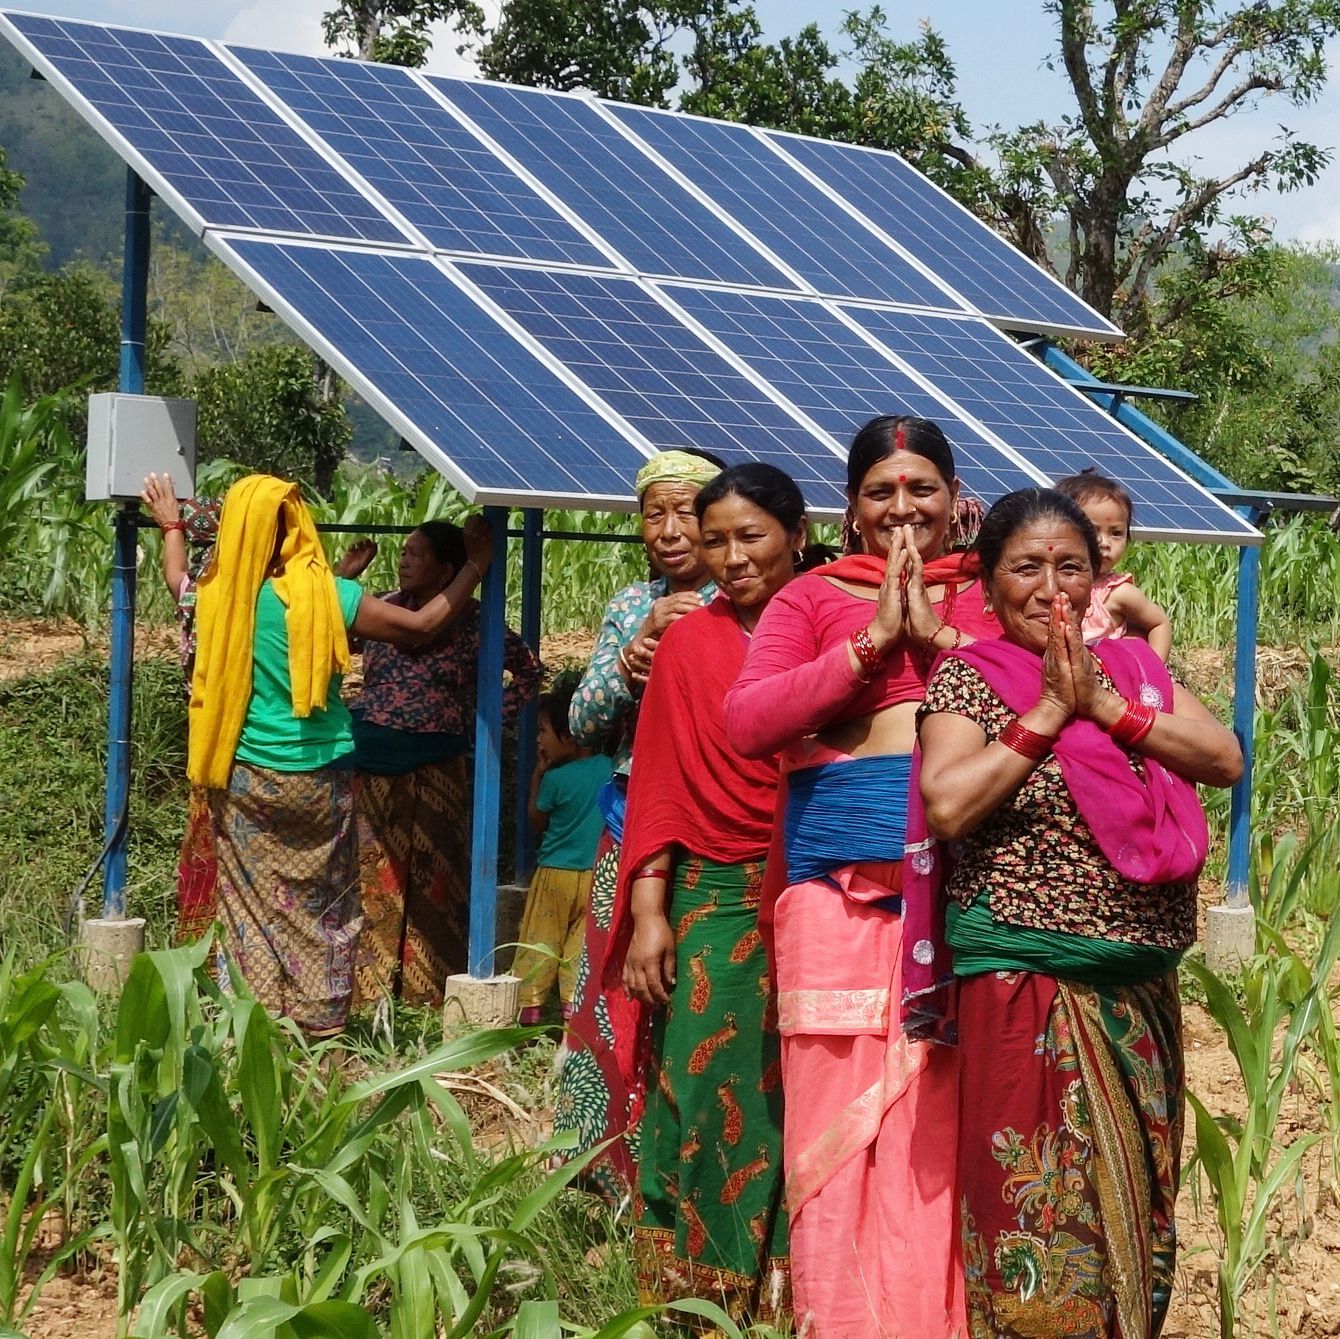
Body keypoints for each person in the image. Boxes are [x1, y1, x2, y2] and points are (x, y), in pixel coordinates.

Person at [913, 487, 1241, 1338]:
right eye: (1026, 567)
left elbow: (1222, 756)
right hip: (1031, 987)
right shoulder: (972, 678)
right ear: (988, 587)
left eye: (1071, 565)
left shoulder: (1133, 669)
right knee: (1043, 1218)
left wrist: (1107, 705)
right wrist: (1053, 709)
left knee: (1138, 1211)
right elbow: (948, 805)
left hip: (1137, 993)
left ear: (1098, 579)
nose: (1050, 585)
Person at [724, 415, 998, 1337]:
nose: (902, 507)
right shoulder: (810, 599)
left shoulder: (996, 592)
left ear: (957, 502)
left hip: (963, 906)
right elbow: (750, 721)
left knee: (938, 1138)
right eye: (881, 491)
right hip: (836, 902)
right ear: (851, 508)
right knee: (833, 1140)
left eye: (921, 487)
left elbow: (1047, 706)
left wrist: (941, 640)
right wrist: (870, 643)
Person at [187, 474, 493, 1037]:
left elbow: (177, 578)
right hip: (318, 776)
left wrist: (166, 526)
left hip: (245, 772)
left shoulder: (214, 592)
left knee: (251, 902)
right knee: (323, 900)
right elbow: (421, 625)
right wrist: (475, 565)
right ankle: (322, 1026)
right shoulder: (325, 594)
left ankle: (256, 1024)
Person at [615, 462, 805, 1326]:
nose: (729, 557)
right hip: (715, 895)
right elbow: (658, 782)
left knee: (808, 1097)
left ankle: (793, 1291)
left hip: (821, 889)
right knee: (708, 1089)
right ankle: (700, 1295)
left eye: (750, 536)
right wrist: (651, 911)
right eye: (716, 538)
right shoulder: (689, 643)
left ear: (796, 536)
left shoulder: (837, 628)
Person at [553, 447, 724, 1202]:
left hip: (719, 826)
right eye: (654, 513)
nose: (670, 528)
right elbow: (583, 722)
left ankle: (691, 1165)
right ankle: (600, 1169)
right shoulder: (631, 604)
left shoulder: (753, 595)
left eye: (686, 509)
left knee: (704, 992)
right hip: (630, 823)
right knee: (614, 985)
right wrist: (631, 659)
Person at [345, 521, 541, 1006]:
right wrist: (343, 577)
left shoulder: (475, 619)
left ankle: (425, 992)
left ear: (446, 568)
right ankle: (369, 992)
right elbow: (327, 635)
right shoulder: (383, 607)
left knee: (435, 879)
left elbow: (529, 673)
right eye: (404, 552)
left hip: (438, 764)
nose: (404, 561)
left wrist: (485, 722)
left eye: (417, 554)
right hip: (372, 763)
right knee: (372, 876)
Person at [511, 677, 613, 1025]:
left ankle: (529, 1009)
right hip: (596, 876)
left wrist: (538, 774)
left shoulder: (555, 779)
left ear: (569, 736)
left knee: (539, 942)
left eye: (542, 731)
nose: (538, 739)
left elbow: (536, 820)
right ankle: (574, 1011)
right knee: (579, 948)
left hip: (554, 875)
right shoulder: (609, 770)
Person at [1055, 469, 1172, 659]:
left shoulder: (1118, 593)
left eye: (1116, 533)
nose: (1104, 542)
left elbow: (1160, 624)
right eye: (1092, 531)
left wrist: (1152, 673)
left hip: (1106, 682)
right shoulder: (1049, 584)